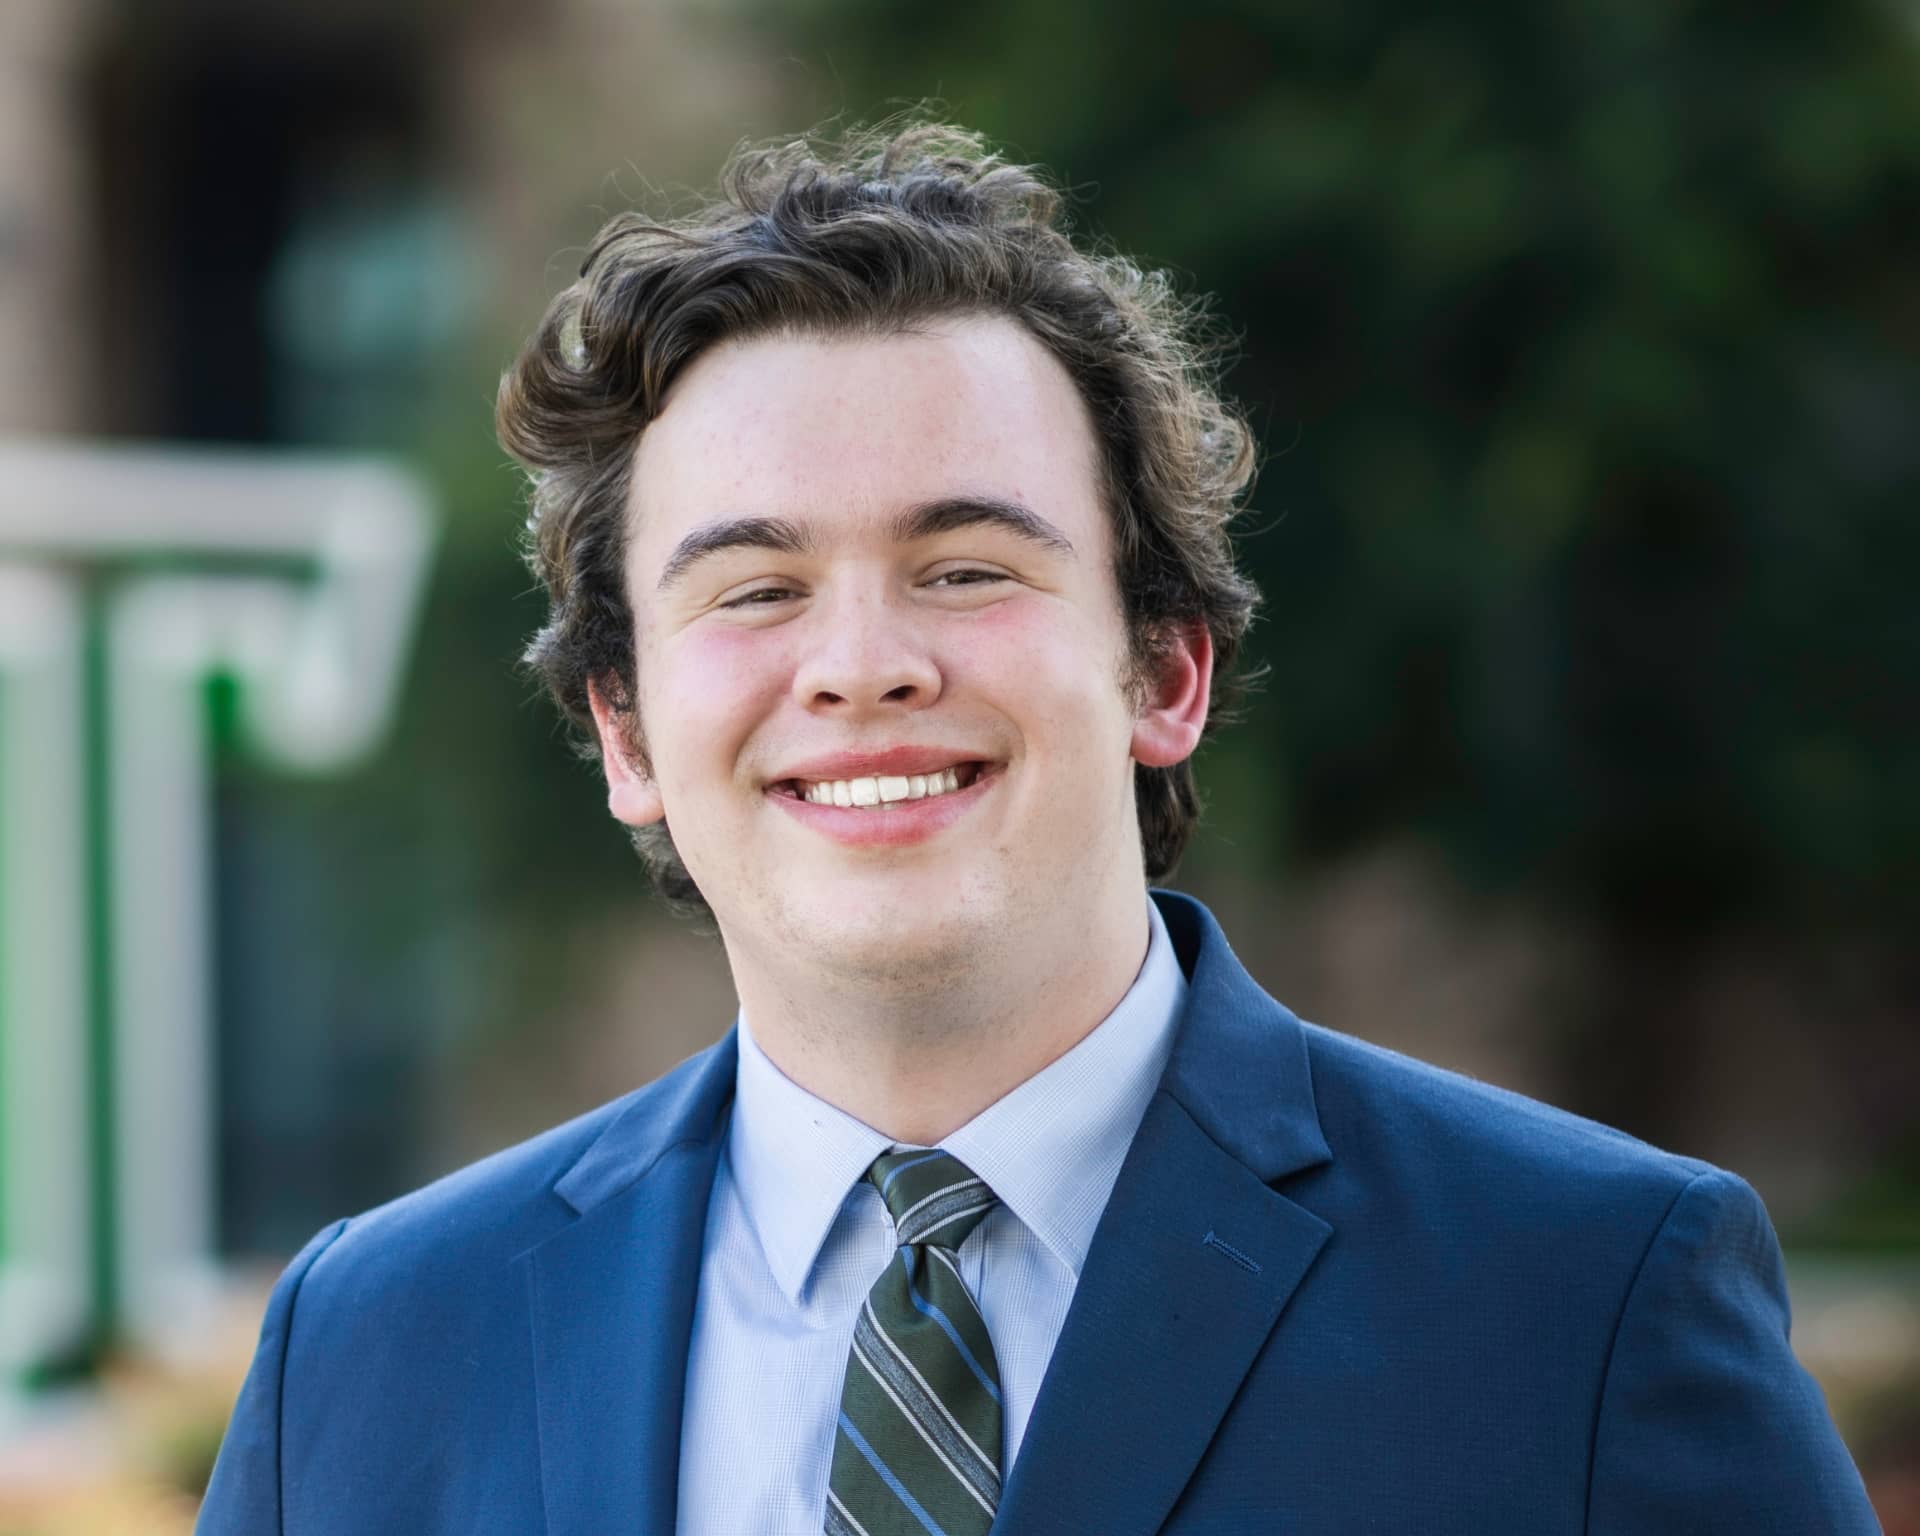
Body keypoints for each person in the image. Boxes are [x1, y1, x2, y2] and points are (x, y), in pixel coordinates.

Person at [197, 122, 1878, 1535]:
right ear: (625, 731)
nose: (862, 666)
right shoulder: (370, 1350)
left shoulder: (1585, 1304)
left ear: (1165, 671)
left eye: (967, 569)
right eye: (758, 589)